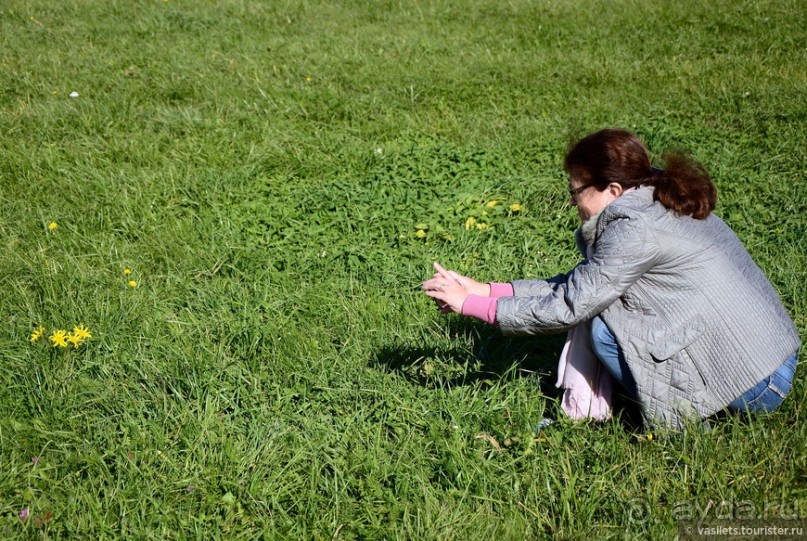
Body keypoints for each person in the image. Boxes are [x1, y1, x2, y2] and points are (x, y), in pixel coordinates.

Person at [422, 128, 800, 428]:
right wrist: (486, 289)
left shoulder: (633, 229)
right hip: (769, 357)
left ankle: (684, 420)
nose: (572, 203)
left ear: (613, 190)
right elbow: (582, 283)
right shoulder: (655, 198)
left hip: (758, 383)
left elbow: (571, 305)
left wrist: (470, 305)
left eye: (576, 192)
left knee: (605, 325)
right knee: (606, 304)